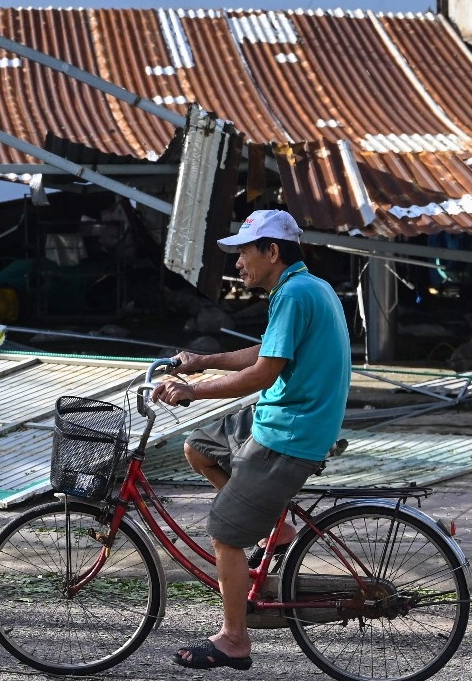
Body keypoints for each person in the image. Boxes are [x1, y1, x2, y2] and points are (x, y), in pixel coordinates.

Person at [151, 209, 351, 671]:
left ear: (272, 251)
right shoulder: (304, 288)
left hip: (290, 432)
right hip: (281, 417)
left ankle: (234, 640)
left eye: (244, 251)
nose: (239, 262)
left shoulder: (296, 294)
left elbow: (262, 373)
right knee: (198, 447)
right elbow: (266, 349)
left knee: (224, 535)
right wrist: (205, 361)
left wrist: (192, 390)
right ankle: (277, 531)